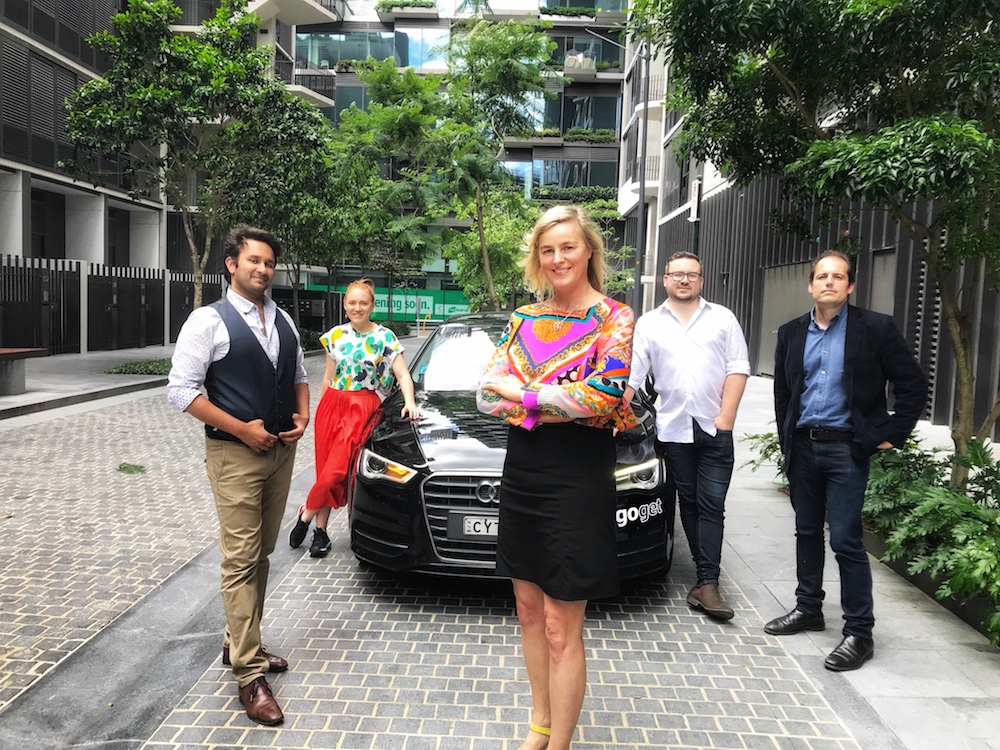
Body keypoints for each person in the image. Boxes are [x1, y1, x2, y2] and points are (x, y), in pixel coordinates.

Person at [477, 205, 637, 750]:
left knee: (560, 625)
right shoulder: (523, 318)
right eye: (547, 250)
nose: (558, 258)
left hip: (578, 476)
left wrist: (523, 396)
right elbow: (484, 394)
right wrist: (557, 402)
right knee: (527, 612)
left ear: (589, 250)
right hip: (524, 470)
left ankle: (560, 744)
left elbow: (605, 395)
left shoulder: (614, 318)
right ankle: (539, 727)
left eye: (568, 246)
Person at [166, 225, 310, 726]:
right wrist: (241, 429)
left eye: (269, 263)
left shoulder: (283, 319)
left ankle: (239, 642)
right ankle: (249, 674)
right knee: (242, 558)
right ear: (231, 264)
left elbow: (299, 375)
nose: (263, 269)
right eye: (254, 260)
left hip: (280, 454)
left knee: (262, 553)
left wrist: (304, 416)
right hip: (235, 456)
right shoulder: (208, 321)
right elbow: (181, 390)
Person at [767, 249, 928, 671]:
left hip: (846, 449)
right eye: (822, 276)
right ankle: (808, 608)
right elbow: (784, 391)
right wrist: (786, 438)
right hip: (803, 447)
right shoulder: (791, 332)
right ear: (810, 285)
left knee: (845, 539)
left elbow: (913, 383)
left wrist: (891, 433)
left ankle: (859, 631)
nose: (829, 282)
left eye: (838, 276)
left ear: (850, 285)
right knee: (806, 531)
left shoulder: (875, 328)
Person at [624, 251, 750, 621]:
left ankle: (708, 582)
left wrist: (726, 418)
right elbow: (634, 374)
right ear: (665, 280)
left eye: (691, 274)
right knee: (690, 502)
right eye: (677, 274)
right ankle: (704, 579)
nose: (684, 280)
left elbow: (738, 367)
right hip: (673, 428)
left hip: (714, 428)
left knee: (712, 504)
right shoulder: (649, 324)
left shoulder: (722, 318)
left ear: (701, 280)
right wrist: (615, 414)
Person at [289, 278, 419, 557]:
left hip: (362, 407)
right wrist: (320, 409)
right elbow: (328, 377)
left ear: (372, 306)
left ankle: (305, 514)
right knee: (326, 470)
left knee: (336, 472)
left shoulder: (385, 338)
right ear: (345, 306)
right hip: (332, 405)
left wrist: (410, 402)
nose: (357, 307)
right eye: (352, 303)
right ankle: (320, 533)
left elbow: (403, 375)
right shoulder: (335, 336)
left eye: (363, 303)